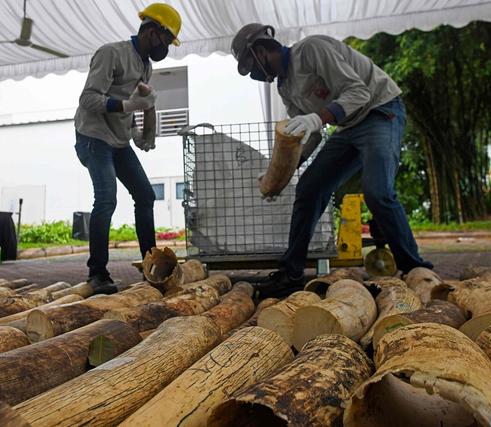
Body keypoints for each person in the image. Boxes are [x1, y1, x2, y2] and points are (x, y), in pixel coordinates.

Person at [231, 24, 433, 298]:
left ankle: (414, 268)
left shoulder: (311, 50)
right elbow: (308, 136)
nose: (252, 75)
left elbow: (358, 93)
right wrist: (281, 174)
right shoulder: (285, 87)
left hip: (379, 110)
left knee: (378, 192)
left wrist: (317, 118)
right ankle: (291, 274)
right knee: (308, 189)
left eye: (249, 65)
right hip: (348, 126)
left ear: (261, 51)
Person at [74, 3, 182, 294]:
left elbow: (131, 110)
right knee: (107, 197)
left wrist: (137, 131)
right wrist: (129, 105)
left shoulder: (146, 66)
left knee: (145, 195)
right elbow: (89, 99)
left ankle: (153, 267)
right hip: (93, 137)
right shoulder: (112, 53)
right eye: (165, 39)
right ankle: (97, 274)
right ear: (150, 30)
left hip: (118, 141)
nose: (166, 48)